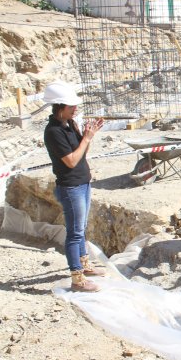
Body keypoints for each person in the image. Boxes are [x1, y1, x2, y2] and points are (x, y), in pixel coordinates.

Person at [43, 82, 106, 293]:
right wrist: (86, 138)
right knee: (75, 233)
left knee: (81, 229)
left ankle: (84, 266)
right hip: (71, 187)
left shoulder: (69, 125)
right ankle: (77, 278)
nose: (75, 109)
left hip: (82, 182)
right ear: (60, 106)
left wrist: (88, 136)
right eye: (71, 106)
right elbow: (70, 161)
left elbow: (81, 155)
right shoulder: (53, 131)